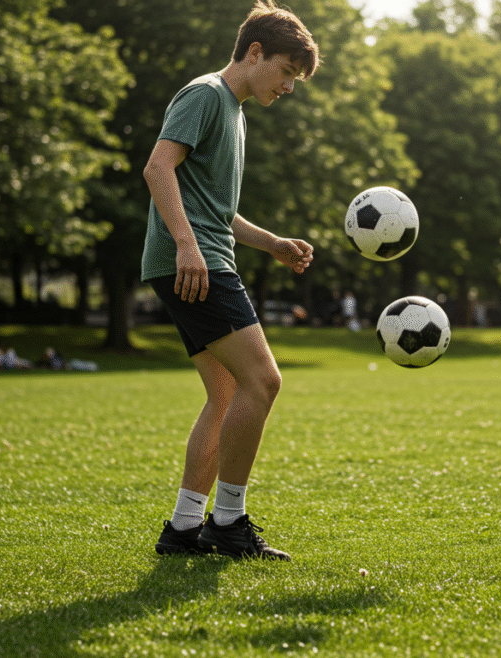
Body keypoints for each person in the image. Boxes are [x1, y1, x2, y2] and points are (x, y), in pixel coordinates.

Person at [142, 0, 319, 561]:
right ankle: (230, 520)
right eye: (287, 72)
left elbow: (218, 210)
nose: (289, 87)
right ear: (255, 52)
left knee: (226, 392)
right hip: (195, 266)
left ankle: (184, 529)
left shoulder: (234, 113)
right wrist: (188, 246)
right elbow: (157, 167)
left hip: (203, 258)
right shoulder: (206, 95)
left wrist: (275, 244)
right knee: (263, 382)